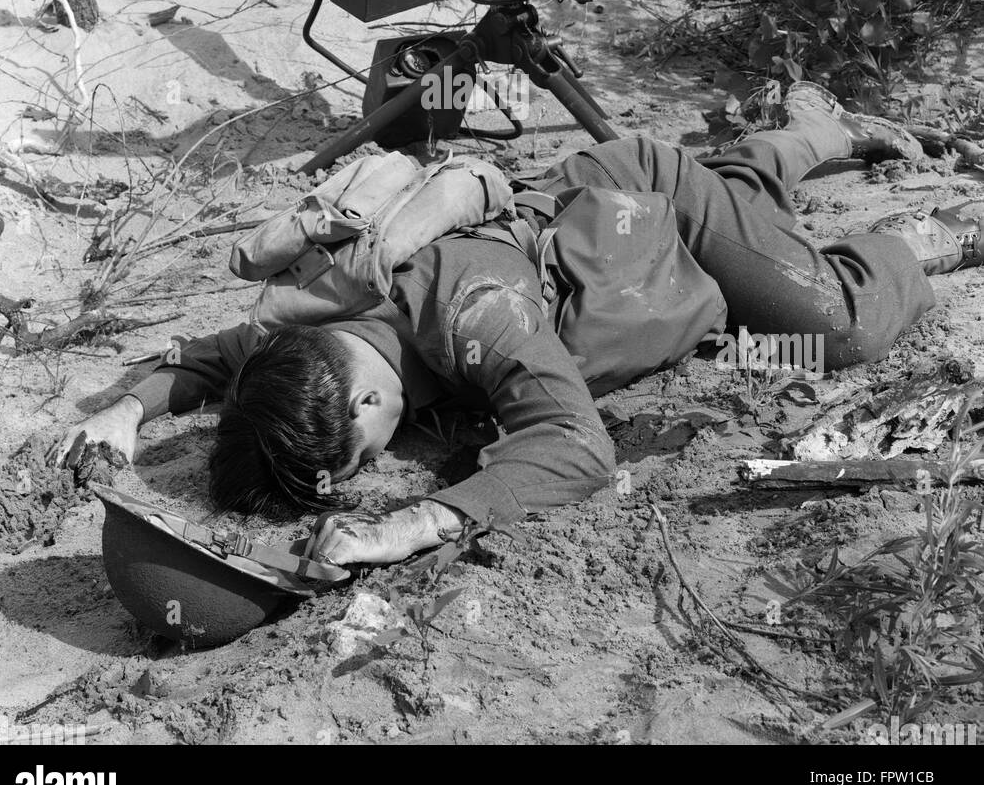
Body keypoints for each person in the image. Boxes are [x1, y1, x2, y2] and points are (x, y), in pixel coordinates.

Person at [52, 83, 981, 569]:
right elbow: (211, 362)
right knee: (748, 198)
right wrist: (124, 412)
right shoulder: (300, 343)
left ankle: (918, 234)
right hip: (602, 217)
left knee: (834, 324)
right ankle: (807, 134)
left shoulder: (474, 314)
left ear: (369, 396)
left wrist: (425, 518)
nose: (378, 459)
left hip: (654, 212)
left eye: (364, 451)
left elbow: (575, 447)